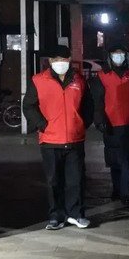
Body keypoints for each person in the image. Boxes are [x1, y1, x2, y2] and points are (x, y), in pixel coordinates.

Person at [22, 44, 94, 230]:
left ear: (69, 60)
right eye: (55, 59)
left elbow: (88, 105)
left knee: (75, 180)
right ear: (50, 61)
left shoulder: (79, 80)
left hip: (74, 139)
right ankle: (56, 216)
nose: (59, 62)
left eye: (63, 59)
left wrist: (81, 124)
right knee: (53, 181)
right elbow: (28, 106)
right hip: (50, 140)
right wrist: (42, 124)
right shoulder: (38, 80)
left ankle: (76, 215)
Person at [89, 42, 129, 208]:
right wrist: (99, 120)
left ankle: (125, 194)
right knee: (115, 160)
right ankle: (117, 189)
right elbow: (98, 101)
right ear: (109, 56)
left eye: (121, 53)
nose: (118, 56)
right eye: (115, 53)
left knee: (128, 161)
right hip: (112, 125)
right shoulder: (102, 76)